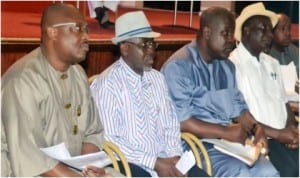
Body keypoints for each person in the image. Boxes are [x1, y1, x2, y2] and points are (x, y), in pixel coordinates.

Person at [1, 3, 119, 177]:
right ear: (52, 32)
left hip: (69, 170)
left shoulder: (77, 73)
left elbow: (92, 132)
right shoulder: (22, 80)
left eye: (87, 30)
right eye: (78, 29)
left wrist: (87, 169)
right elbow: (29, 155)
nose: (86, 36)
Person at [161, 6, 279, 177]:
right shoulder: (179, 66)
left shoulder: (227, 67)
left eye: (232, 34)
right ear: (207, 32)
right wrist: (225, 132)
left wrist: (256, 128)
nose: (232, 40)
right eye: (226, 34)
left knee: (269, 171)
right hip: (192, 144)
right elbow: (182, 122)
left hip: (226, 142)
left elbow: (239, 109)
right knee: (241, 174)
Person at [90, 11, 208, 177]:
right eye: (144, 45)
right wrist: (154, 162)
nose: (151, 51)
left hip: (166, 160)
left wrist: (174, 157)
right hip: (130, 164)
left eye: (152, 44)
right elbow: (109, 139)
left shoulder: (157, 78)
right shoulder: (107, 85)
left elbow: (171, 125)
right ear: (124, 48)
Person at [229, 3, 299, 177]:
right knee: (291, 170)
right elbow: (238, 116)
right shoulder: (233, 65)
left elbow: (284, 103)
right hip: (259, 140)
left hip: (285, 136)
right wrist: (280, 135)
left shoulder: (272, 63)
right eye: (264, 29)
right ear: (246, 31)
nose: (269, 35)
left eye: (270, 30)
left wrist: (291, 131)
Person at [269, 13, 299, 78]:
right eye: (282, 29)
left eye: (289, 29)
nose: (288, 33)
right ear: (272, 32)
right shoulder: (266, 54)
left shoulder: (292, 50)